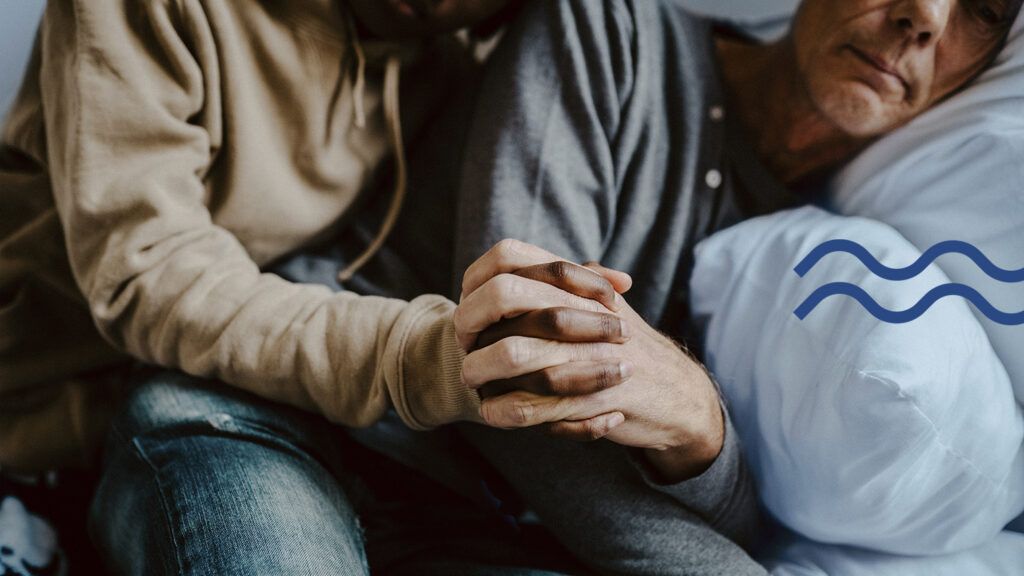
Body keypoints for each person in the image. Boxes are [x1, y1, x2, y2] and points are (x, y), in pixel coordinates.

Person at [1, 0, 1019, 574]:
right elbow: (519, 373)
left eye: (977, 9)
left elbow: (732, 497)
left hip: (472, 510)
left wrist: (702, 431)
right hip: (273, 416)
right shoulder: (609, 30)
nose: (921, 16)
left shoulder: (830, 257)